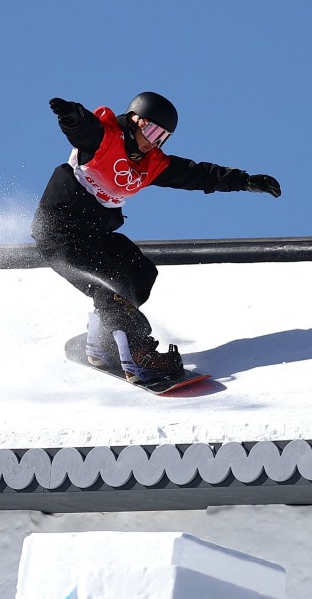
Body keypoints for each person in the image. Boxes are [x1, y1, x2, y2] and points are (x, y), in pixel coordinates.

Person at [31, 91, 281, 383]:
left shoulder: (152, 163)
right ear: (135, 121)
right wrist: (72, 117)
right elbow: (84, 130)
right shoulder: (104, 139)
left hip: (94, 235)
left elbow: (198, 174)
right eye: (151, 131)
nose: (154, 141)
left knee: (139, 272)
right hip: (60, 232)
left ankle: (101, 345)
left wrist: (246, 181)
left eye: (163, 137)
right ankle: (137, 357)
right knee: (112, 282)